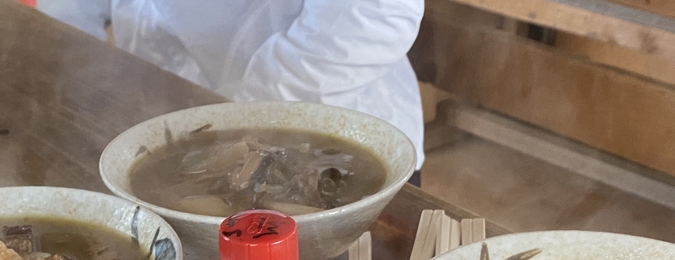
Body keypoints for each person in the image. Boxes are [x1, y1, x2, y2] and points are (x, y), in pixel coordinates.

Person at [35, 0, 426, 182]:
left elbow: (374, 14)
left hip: (329, 134)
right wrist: (74, 86)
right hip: (165, 133)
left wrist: (233, 120)